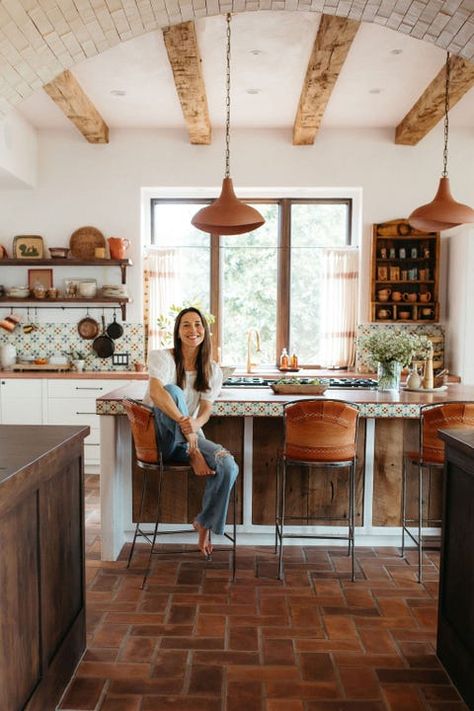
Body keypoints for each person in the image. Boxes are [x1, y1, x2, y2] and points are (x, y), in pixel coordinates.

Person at [143, 307, 238, 557]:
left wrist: (195, 426)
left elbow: (206, 410)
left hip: (187, 440)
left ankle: (204, 523)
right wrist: (191, 432)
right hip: (160, 440)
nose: (192, 330)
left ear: (205, 331)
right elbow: (155, 393)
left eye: (197, 324)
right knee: (172, 391)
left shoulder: (212, 369)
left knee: (228, 465)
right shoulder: (161, 357)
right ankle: (193, 449)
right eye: (186, 325)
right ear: (177, 330)